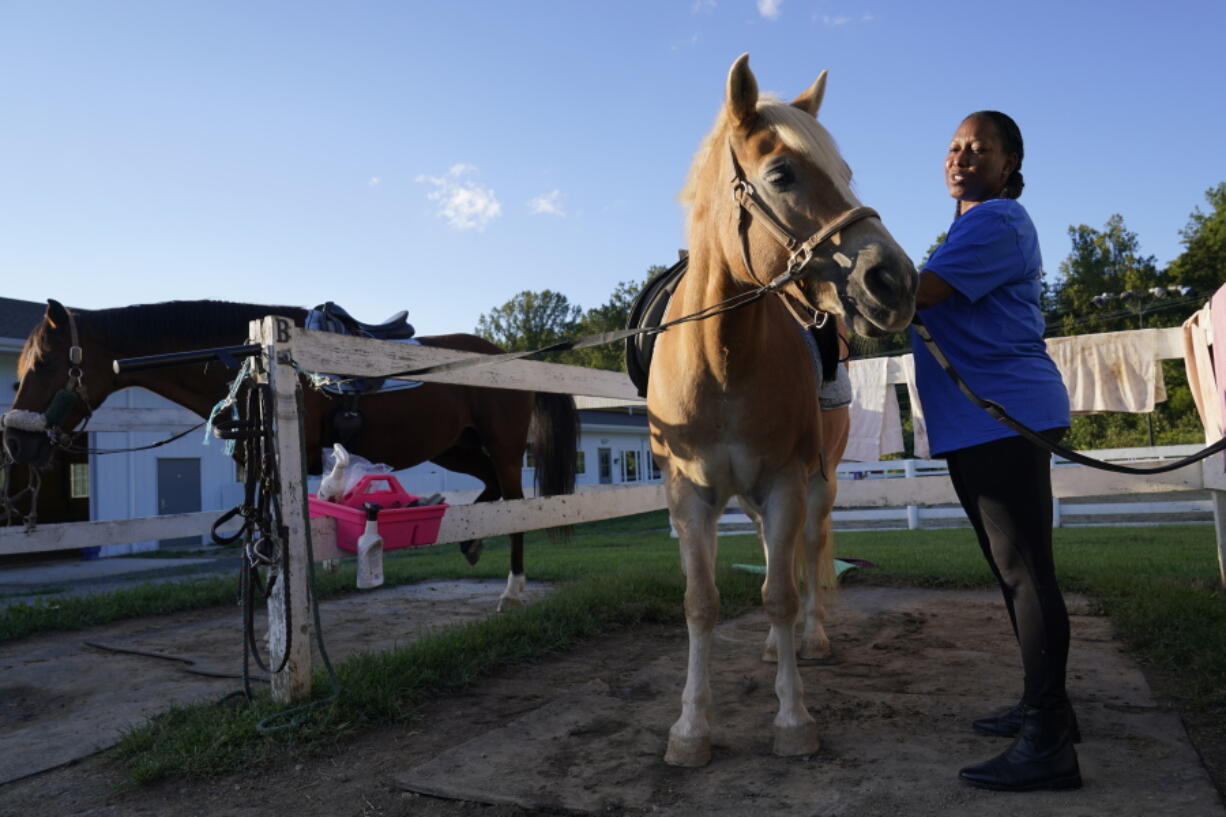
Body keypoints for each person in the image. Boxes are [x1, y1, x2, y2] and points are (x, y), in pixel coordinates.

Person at [910, 111, 1081, 791]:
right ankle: (1049, 709)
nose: (962, 155)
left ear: (1010, 163)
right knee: (1017, 572)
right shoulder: (973, 227)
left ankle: (1048, 741)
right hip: (985, 420)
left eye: (980, 148)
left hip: (1000, 418)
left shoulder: (995, 221)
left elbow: (913, 293)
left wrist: (841, 261)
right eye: (954, 146)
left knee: (1026, 574)